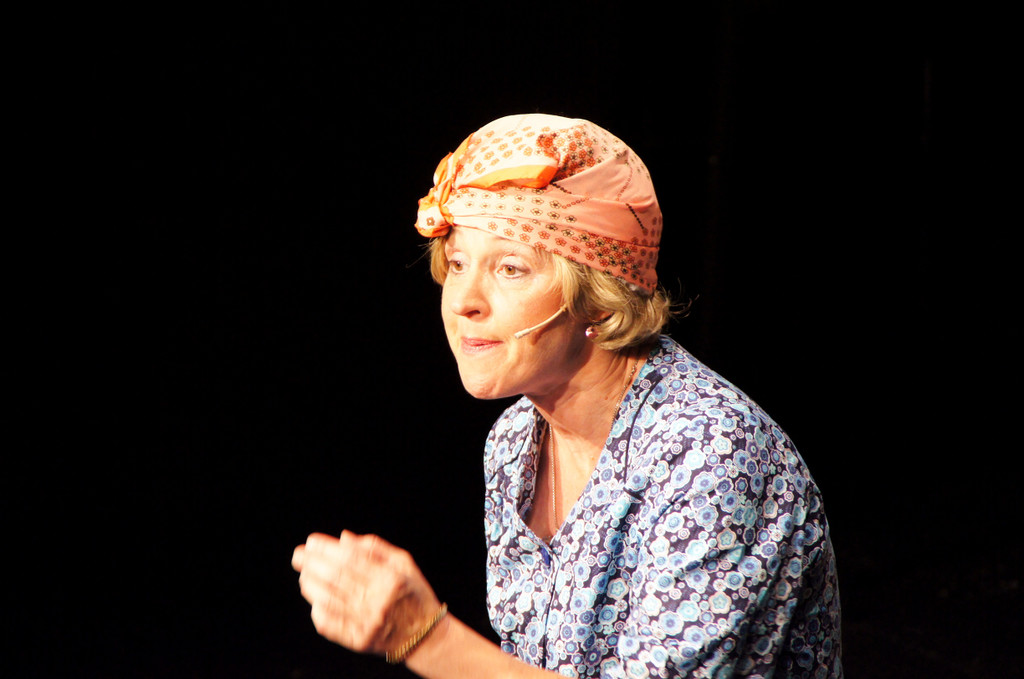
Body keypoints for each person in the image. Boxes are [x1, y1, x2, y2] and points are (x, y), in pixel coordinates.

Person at [292, 113, 843, 678]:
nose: (463, 301)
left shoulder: (710, 451)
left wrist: (425, 638)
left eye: (511, 268)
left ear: (599, 299)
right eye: (457, 264)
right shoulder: (514, 442)